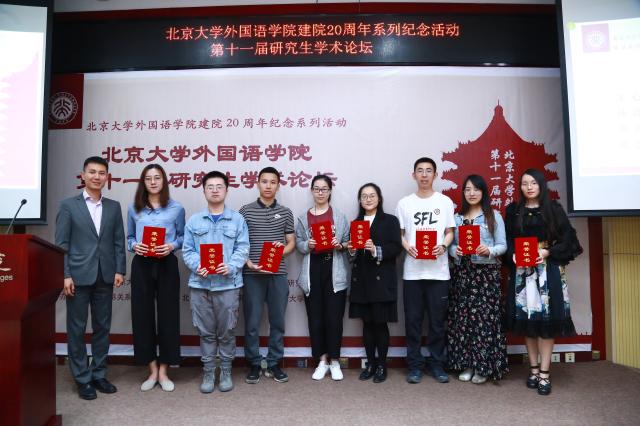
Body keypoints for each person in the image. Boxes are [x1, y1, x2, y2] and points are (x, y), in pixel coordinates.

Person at [505, 168, 582, 396]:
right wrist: (513, 255)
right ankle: (534, 370)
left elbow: (569, 239)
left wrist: (547, 252)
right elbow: (507, 240)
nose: (529, 187)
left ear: (541, 185)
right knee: (528, 322)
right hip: (523, 272)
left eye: (533, 183)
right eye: (524, 183)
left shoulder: (553, 209)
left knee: (547, 323)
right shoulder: (513, 210)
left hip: (548, 270)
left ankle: (545, 373)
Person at [55, 156, 126, 400]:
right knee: (76, 328)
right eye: (92, 172)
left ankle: (99, 374)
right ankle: (82, 378)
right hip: (77, 276)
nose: (97, 176)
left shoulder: (114, 207)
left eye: (102, 173)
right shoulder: (68, 205)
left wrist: (119, 270)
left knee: (102, 327)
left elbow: (118, 241)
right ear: (83, 175)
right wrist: (65, 274)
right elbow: (62, 244)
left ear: (107, 177)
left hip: (105, 275)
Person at [182, 171, 249, 393]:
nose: (215, 190)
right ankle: (209, 372)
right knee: (206, 332)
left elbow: (243, 248)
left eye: (219, 186)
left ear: (226, 190)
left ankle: (226, 370)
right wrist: (197, 265)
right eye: (210, 187)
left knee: (227, 331)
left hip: (228, 285)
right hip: (200, 285)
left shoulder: (237, 220)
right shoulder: (194, 220)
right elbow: (187, 250)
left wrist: (230, 266)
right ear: (204, 191)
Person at [395, 157, 455, 384]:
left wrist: (444, 246)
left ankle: (437, 364)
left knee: (438, 323)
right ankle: (414, 365)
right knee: (413, 321)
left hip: (439, 273)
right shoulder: (404, 203)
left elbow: (450, 231)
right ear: (414, 175)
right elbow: (400, 234)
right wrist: (407, 247)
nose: (424, 175)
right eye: (420, 171)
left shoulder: (445, 202)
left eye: (429, 171)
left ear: (435, 175)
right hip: (413, 273)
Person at [126, 164, 185, 392]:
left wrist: (171, 245)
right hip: (142, 264)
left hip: (167, 263)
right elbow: (129, 237)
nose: (153, 182)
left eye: (157, 177)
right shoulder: (134, 208)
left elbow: (183, 236)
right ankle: (151, 369)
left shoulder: (177, 208)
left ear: (164, 181)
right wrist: (134, 245)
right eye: (148, 178)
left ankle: (164, 371)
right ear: (143, 182)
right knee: (142, 315)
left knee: (169, 315)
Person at [447, 174, 508, 384]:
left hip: (486, 275)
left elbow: (503, 245)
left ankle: (483, 367)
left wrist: (488, 250)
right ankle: (467, 364)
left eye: (476, 189)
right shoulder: (456, 218)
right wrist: (455, 251)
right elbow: (450, 245)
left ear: (483, 192)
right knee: (463, 321)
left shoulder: (493, 216)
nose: (471, 193)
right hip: (463, 274)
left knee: (484, 321)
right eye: (467, 189)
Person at [240, 167, 296, 384]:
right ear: (257, 184)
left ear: (278, 186)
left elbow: (291, 242)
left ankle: (274, 362)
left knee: (278, 321)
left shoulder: (286, 212)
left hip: (277, 273)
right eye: (264, 181)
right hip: (252, 273)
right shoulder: (245, 211)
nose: (268, 186)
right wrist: (248, 262)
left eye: (273, 182)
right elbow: (238, 242)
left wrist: (279, 252)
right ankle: (254, 363)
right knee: (252, 322)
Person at [295, 175, 350, 381]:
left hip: (334, 270)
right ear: (311, 191)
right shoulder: (303, 217)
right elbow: (298, 243)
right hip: (312, 270)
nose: (320, 192)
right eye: (317, 189)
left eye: (324, 189)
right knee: (315, 318)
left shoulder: (340, 216)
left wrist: (340, 245)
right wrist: (306, 244)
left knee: (334, 318)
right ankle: (322, 361)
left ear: (330, 192)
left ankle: (335, 361)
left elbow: (349, 242)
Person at [348, 183, 401, 383]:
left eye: (372, 195)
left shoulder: (390, 221)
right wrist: (351, 249)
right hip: (361, 279)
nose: (368, 199)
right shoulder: (356, 223)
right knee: (367, 323)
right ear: (360, 200)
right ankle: (370, 363)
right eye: (364, 196)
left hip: (381, 280)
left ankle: (382, 365)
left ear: (379, 198)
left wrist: (375, 249)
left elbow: (396, 247)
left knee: (380, 323)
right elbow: (352, 256)